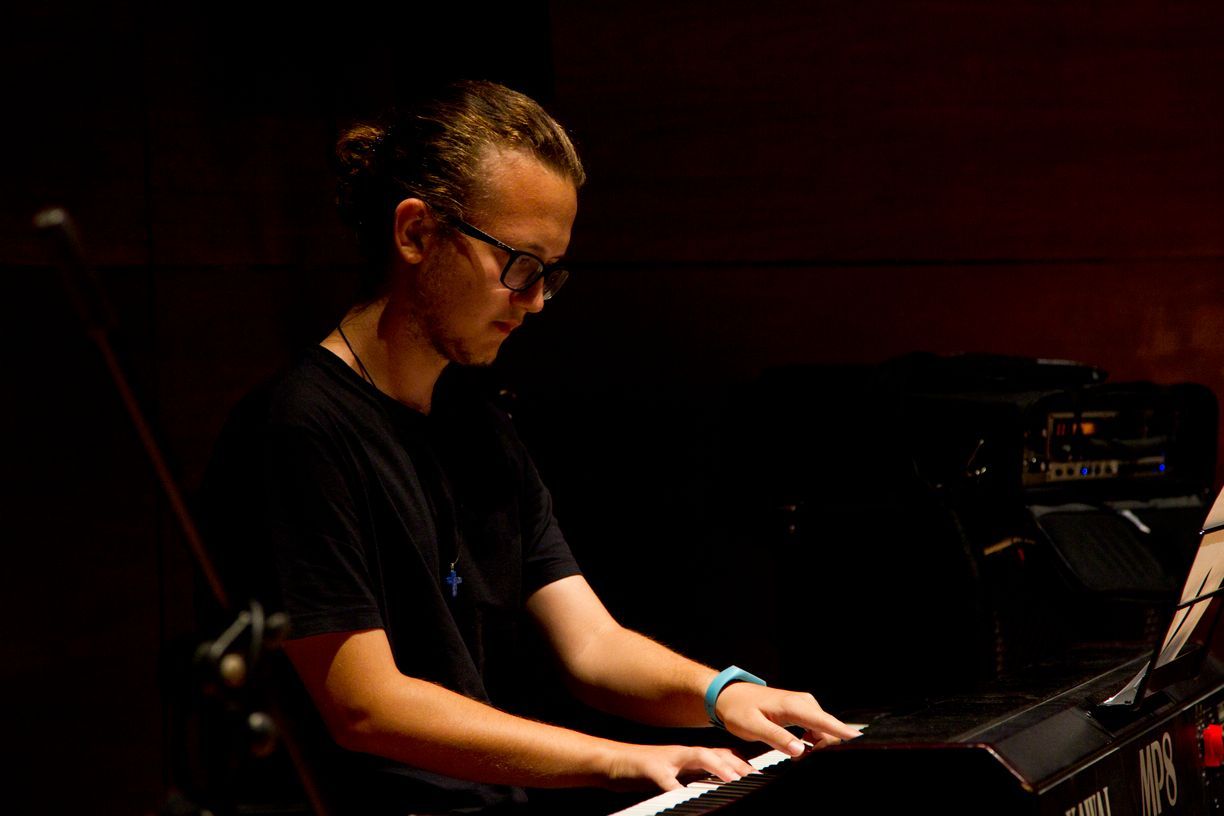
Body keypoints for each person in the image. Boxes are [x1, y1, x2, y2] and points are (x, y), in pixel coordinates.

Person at [203, 79, 858, 815]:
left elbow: (592, 646)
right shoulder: (298, 431)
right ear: (415, 233)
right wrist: (621, 760)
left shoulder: (477, 425)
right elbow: (366, 705)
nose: (538, 300)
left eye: (551, 274)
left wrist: (723, 694)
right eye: (520, 266)